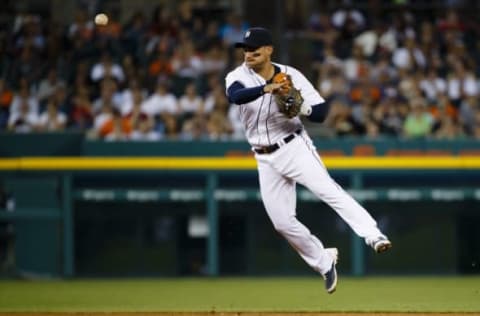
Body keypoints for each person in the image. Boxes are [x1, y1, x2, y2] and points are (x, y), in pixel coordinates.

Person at [224, 27, 392, 294]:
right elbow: (234, 96)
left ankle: (373, 234)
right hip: (264, 157)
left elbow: (321, 113)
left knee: (328, 191)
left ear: (268, 50)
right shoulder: (237, 76)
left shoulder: (292, 75)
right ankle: (324, 262)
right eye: (244, 49)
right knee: (282, 222)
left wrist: (299, 105)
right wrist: (268, 88)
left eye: (254, 48)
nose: (248, 53)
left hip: (294, 146)